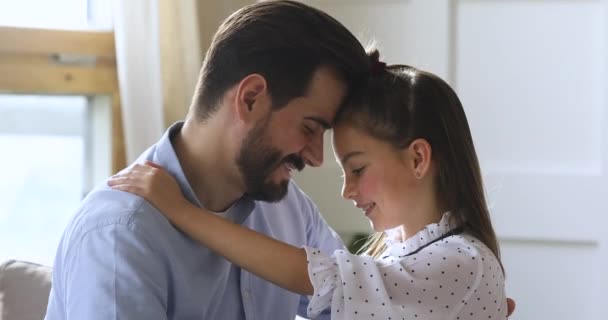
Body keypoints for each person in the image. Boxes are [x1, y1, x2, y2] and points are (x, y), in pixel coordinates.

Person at [109, 52, 510, 319]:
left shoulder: (463, 261)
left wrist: (182, 212)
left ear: (418, 159)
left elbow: (317, 276)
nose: (347, 191)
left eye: (357, 169)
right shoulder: (410, 258)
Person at [44, 1, 370, 319]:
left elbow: (359, 307)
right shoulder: (120, 235)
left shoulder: (291, 210)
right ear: (251, 98)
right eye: (309, 128)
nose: (315, 157)